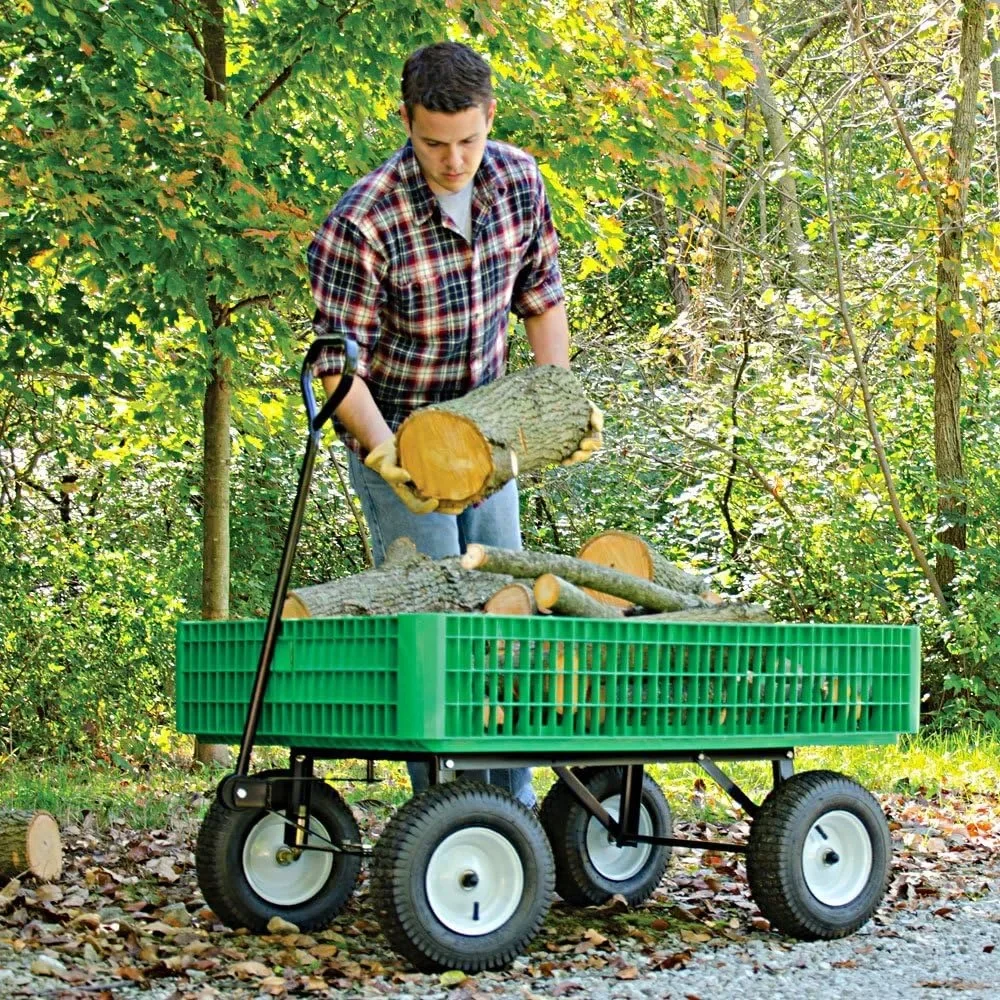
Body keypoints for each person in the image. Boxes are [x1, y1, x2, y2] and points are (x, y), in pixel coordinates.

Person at [307, 41, 601, 808]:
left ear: (489, 118)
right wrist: (385, 455)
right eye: (435, 143)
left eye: (468, 139)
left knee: (507, 609)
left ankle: (516, 812)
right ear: (406, 122)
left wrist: (559, 404)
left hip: (489, 424)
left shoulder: (518, 180)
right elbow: (338, 366)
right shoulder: (363, 219)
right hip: (396, 425)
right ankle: (446, 813)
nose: (453, 160)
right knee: (434, 618)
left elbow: (542, 296)